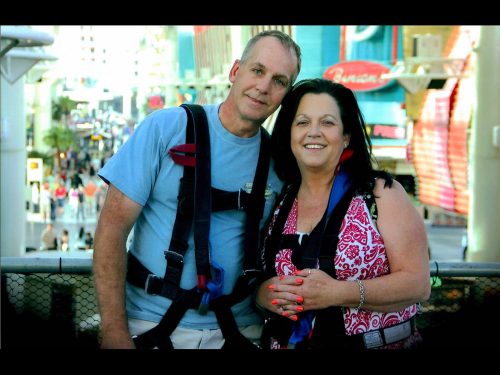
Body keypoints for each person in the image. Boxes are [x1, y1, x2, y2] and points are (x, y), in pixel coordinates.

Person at [93, 30, 302, 349]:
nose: (263, 87)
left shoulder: (282, 162)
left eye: (279, 81)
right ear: (235, 72)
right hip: (151, 323)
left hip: (241, 330)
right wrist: (114, 332)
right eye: (257, 70)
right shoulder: (164, 129)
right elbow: (111, 229)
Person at [254, 79, 431, 349]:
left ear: (346, 136)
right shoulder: (280, 202)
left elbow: (418, 285)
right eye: (302, 122)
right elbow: (264, 280)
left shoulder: (381, 194)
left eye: (327, 122)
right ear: (288, 134)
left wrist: (338, 293)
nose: (313, 132)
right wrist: (262, 296)